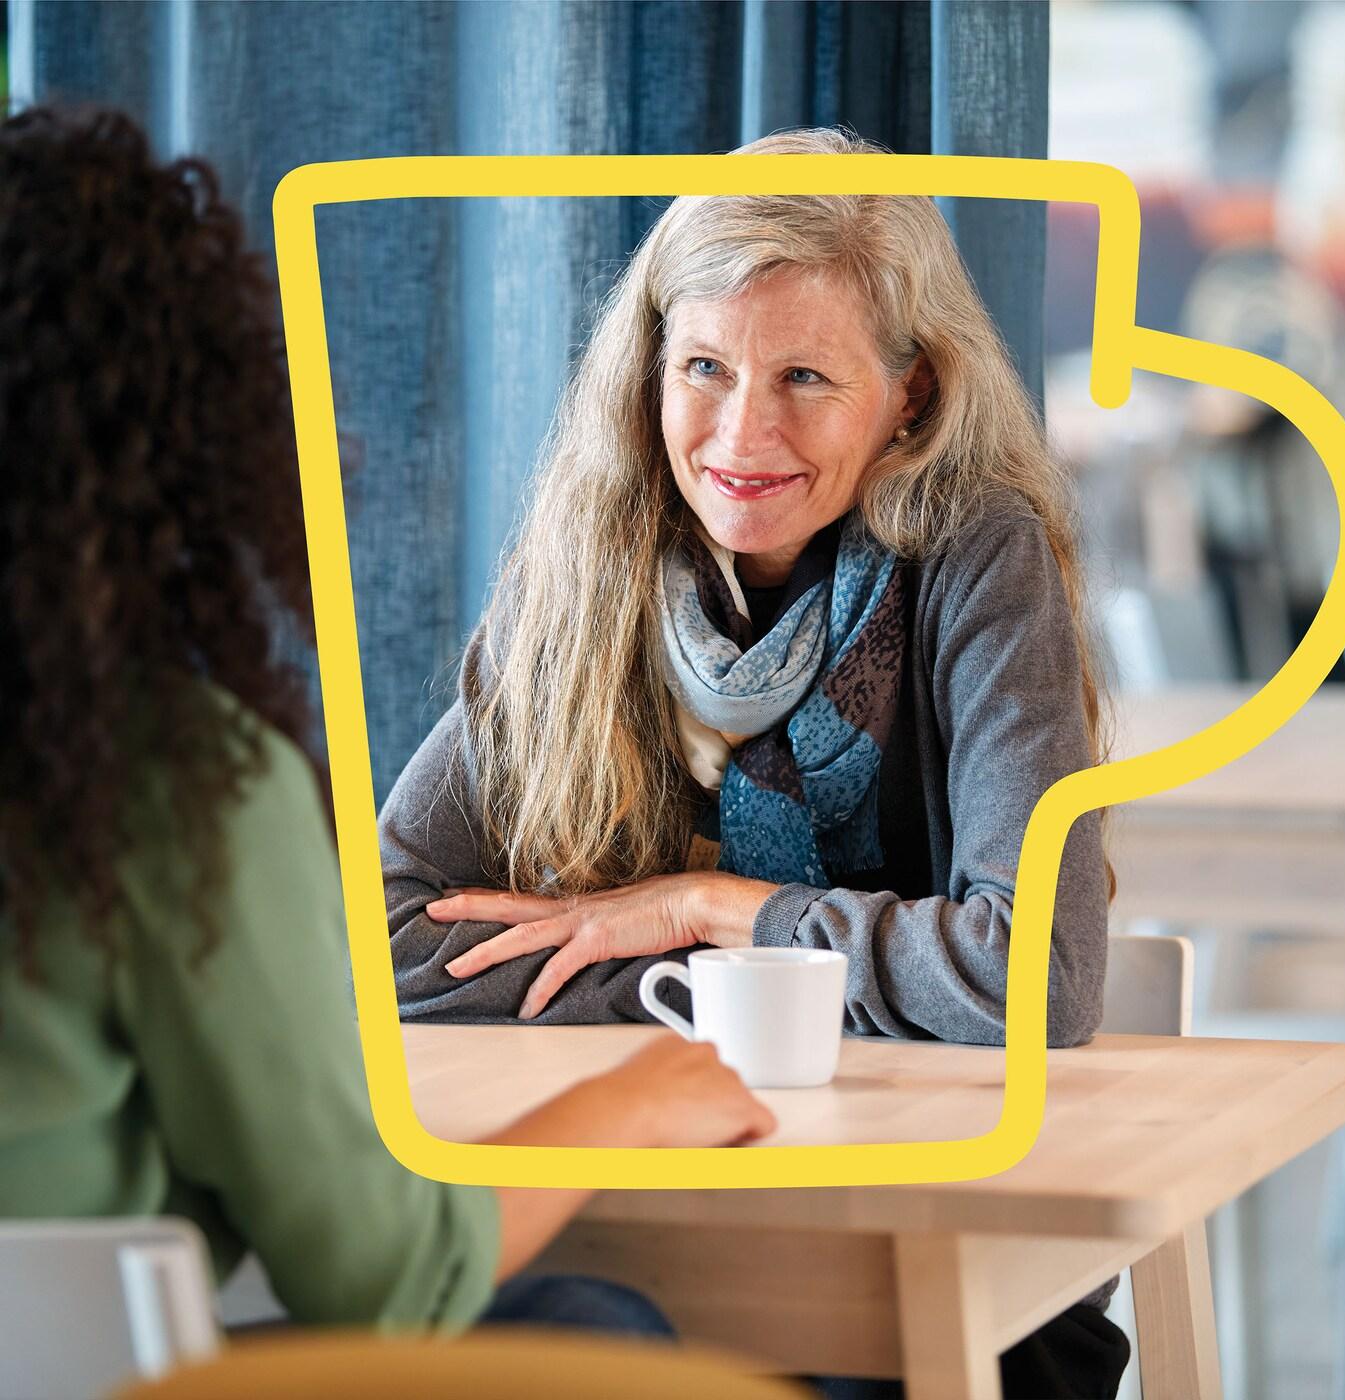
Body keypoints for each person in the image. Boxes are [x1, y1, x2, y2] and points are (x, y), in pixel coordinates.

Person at [0, 105, 775, 1343]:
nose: (743, 428)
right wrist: (631, 1099)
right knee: (601, 1326)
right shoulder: (162, 785)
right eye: (703, 368)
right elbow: (384, 1275)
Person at [381, 128, 1129, 1396]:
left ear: (912, 397)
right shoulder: (587, 566)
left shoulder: (975, 561)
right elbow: (383, 939)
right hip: (663, 1225)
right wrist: (706, 1009)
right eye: (704, 366)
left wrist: (709, 912)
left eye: (805, 378)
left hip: (937, 1243)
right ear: (648, 373)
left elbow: (1034, 977)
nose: (740, 432)